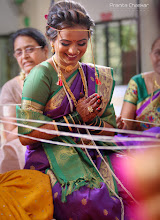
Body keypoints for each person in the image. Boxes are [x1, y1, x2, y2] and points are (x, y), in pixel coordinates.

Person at [17, 1, 136, 219]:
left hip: (95, 148)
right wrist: (76, 118)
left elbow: (110, 130)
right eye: (65, 43)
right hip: (51, 156)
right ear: (52, 40)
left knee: (136, 178)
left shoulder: (96, 76)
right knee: (86, 199)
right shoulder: (41, 75)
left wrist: (92, 121)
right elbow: (26, 135)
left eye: (81, 43)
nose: (74, 50)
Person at [0, 27, 49, 173]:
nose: (24, 56)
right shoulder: (10, 88)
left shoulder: (61, 80)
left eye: (29, 49)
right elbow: (10, 135)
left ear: (45, 50)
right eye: (19, 52)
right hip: (27, 145)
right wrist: (39, 116)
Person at [117, 36, 160, 131]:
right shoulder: (137, 83)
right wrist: (119, 125)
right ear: (150, 55)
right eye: (158, 53)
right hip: (141, 142)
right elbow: (126, 125)